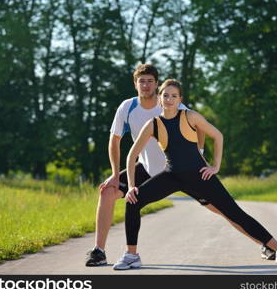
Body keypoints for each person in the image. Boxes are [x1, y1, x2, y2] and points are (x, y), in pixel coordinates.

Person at [86, 64, 261, 266]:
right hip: (146, 168)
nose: (146, 85)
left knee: (222, 208)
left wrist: (200, 154)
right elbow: (114, 140)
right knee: (108, 191)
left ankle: (263, 243)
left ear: (157, 84)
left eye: (150, 81)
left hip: (181, 170)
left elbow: (198, 125)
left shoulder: (169, 103)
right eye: (141, 81)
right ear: (135, 84)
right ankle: (99, 251)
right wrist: (115, 175)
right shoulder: (127, 107)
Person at [113, 79, 277, 270]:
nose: (169, 99)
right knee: (132, 200)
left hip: (200, 176)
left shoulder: (190, 116)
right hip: (172, 176)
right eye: (165, 95)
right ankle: (131, 255)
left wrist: (215, 166)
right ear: (159, 98)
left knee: (234, 213)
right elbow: (132, 155)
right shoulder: (153, 124)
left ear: (180, 99)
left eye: (174, 96)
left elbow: (217, 136)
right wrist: (132, 186)